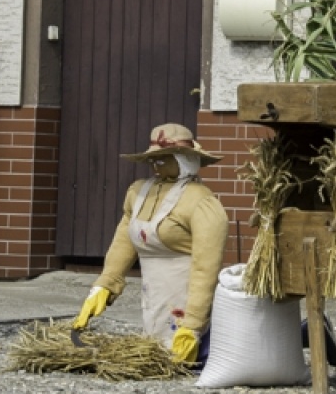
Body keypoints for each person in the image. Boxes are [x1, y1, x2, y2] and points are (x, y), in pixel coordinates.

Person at [73, 124, 227, 364]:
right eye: (153, 160)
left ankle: (196, 348)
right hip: (153, 290)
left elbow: (206, 266)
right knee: (156, 346)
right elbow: (123, 241)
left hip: (186, 290)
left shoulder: (201, 201)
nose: (156, 166)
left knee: (181, 353)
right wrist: (104, 285)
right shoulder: (138, 192)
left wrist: (194, 323)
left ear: (184, 160)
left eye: (163, 160)